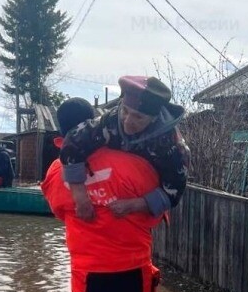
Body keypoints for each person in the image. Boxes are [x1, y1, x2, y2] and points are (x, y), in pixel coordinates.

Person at [42, 98, 164, 292]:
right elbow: (158, 208)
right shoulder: (136, 163)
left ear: (61, 139)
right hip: (134, 269)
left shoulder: (57, 172)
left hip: (91, 274)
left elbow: (57, 210)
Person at [59, 75, 189, 221]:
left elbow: (174, 191)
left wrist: (135, 205)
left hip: (140, 208)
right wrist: (80, 196)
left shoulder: (171, 145)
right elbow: (72, 142)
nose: (128, 121)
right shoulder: (109, 120)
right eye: (125, 111)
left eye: (138, 117)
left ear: (154, 118)